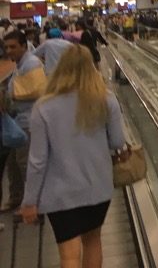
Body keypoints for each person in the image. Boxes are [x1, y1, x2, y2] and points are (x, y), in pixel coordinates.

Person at [20, 45, 129, 268]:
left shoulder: (43, 108)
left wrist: (30, 201)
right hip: (97, 188)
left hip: (60, 194)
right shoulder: (106, 100)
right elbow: (118, 142)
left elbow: (37, 161)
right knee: (93, 242)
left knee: (69, 255)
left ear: (60, 69)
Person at [1, 30, 45, 210]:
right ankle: (16, 198)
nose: (8, 51)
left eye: (13, 47)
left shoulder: (31, 64)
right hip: (17, 123)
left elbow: (36, 90)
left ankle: (34, 204)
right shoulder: (20, 65)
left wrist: (8, 95)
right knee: (13, 164)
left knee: (25, 164)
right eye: (6, 47)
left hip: (28, 122)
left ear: (24, 46)